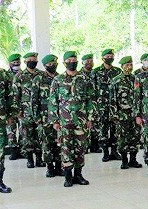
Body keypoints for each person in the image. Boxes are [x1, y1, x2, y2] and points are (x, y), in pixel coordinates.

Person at [49, 51, 94, 187]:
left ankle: (78, 175)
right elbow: (52, 101)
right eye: (69, 60)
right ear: (64, 63)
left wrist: (90, 118)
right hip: (64, 121)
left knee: (80, 148)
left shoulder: (84, 79)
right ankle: (68, 176)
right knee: (66, 148)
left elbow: (90, 100)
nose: (72, 62)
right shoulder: (57, 80)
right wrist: (55, 120)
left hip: (80, 121)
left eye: (74, 60)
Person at [30, 54, 61, 178]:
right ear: (45, 66)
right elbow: (34, 100)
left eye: (54, 63)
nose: (53, 65)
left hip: (59, 117)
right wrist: (36, 117)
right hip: (44, 117)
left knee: (59, 142)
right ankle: (49, 167)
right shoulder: (38, 79)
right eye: (50, 64)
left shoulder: (60, 77)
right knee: (47, 143)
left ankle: (59, 166)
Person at [109, 56, 142, 170]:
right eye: (127, 65)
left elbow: (139, 97)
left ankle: (133, 159)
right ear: (122, 67)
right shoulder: (116, 80)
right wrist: (114, 115)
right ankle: (124, 160)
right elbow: (112, 99)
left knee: (135, 136)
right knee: (123, 138)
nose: (129, 67)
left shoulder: (136, 79)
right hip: (122, 114)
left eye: (131, 64)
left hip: (134, 114)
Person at [12, 52, 43, 169]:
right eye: (30, 60)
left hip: (39, 111)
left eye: (34, 60)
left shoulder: (41, 75)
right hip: (25, 112)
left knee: (39, 135)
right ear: (25, 62)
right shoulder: (19, 76)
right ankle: (29, 159)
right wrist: (18, 111)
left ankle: (39, 158)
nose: (32, 61)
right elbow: (15, 95)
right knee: (27, 136)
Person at [92, 49, 121, 162]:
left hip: (114, 106)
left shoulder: (117, 71)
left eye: (111, 56)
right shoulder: (96, 72)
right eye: (107, 56)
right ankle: (105, 152)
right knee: (103, 129)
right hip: (101, 106)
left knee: (115, 129)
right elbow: (92, 90)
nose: (110, 58)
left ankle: (114, 151)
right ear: (103, 58)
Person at [0, 61, 14, 193]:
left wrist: (10, 114)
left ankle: (0, 182)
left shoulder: (3, 75)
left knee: (0, 152)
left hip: (1, 119)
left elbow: (9, 96)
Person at [6, 53, 22, 161]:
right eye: (14, 63)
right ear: (10, 64)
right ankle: (13, 151)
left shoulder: (23, 74)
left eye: (18, 62)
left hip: (21, 106)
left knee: (22, 129)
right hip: (10, 106)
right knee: (10, 129)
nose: (16, 64)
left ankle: (22, 149)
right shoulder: (5, 75)